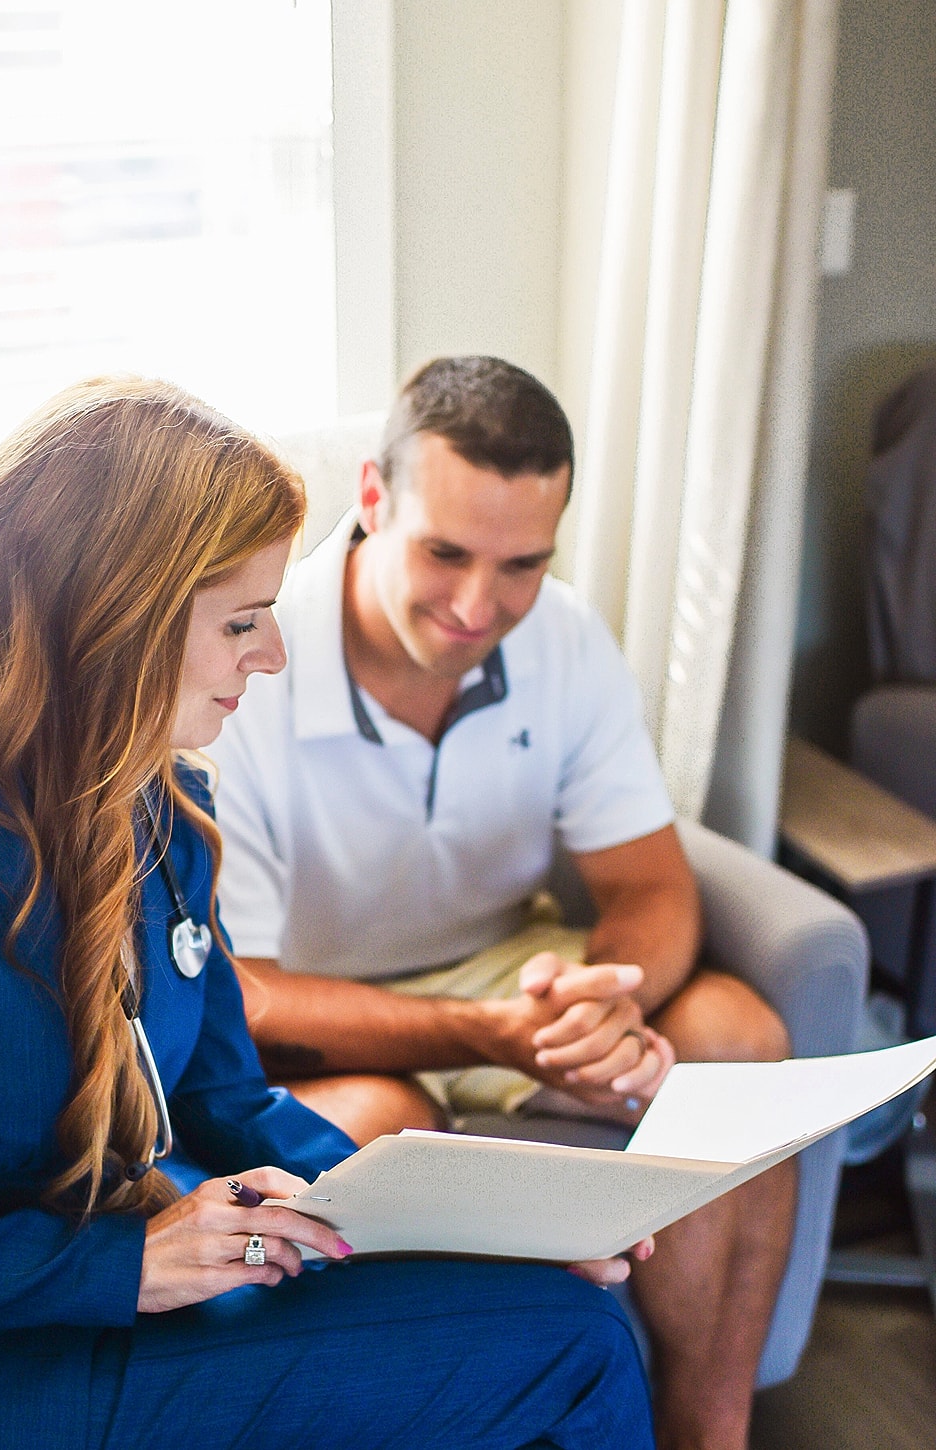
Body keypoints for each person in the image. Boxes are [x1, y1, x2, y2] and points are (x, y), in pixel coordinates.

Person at [0, 375, 655, 1450]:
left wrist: (497, 1229)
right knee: (571, 1346)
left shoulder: (164, 805)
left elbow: (226, 1095)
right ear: (115, 621)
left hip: (135, 1296)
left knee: (564, 1309)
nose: (269, 654)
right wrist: (120, 1267)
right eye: (241, 622)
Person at [207, 356, 797, 1450]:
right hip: (315, 1010)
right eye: (445, 554)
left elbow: (652, 885)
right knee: (380, 1127)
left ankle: (711, 1433)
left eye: (521, 564)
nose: (480, 605)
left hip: (504, 962)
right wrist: (499, 1036)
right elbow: (244, 994)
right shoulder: (252, 653)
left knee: (739, 1035)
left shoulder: (562, 635)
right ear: (375, 501)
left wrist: (602, 996)